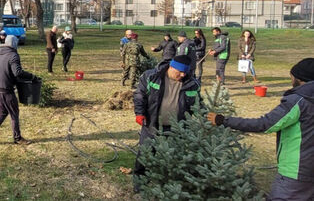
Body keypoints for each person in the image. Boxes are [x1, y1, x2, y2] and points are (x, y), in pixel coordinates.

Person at [207, 58, 314, 201]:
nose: (291, 79)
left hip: (296, 171)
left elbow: (264, 124)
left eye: (291, 76)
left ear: (300, 78)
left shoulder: (299, 101)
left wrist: (223, 120)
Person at [133, 55, 201, 188]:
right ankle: (139, 185)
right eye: (179, 71)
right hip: (151, 124)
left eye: (185, 72)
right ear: (171, 67)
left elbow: (197, 105)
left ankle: (168, 187)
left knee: (173, 159)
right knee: (145, 155)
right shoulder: (151, 76)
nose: (182, 75)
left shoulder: (191, 84)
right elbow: (140, 95)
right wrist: (140, 113)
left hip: (177, 128)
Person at [0, 35, 36, 145]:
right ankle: (17, 138)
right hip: (5, 90)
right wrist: (31, 76)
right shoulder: (13, 55)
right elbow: (17, 72)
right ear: (14, 44)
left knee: (3, 111)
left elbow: (5, 69)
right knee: (14, 113)